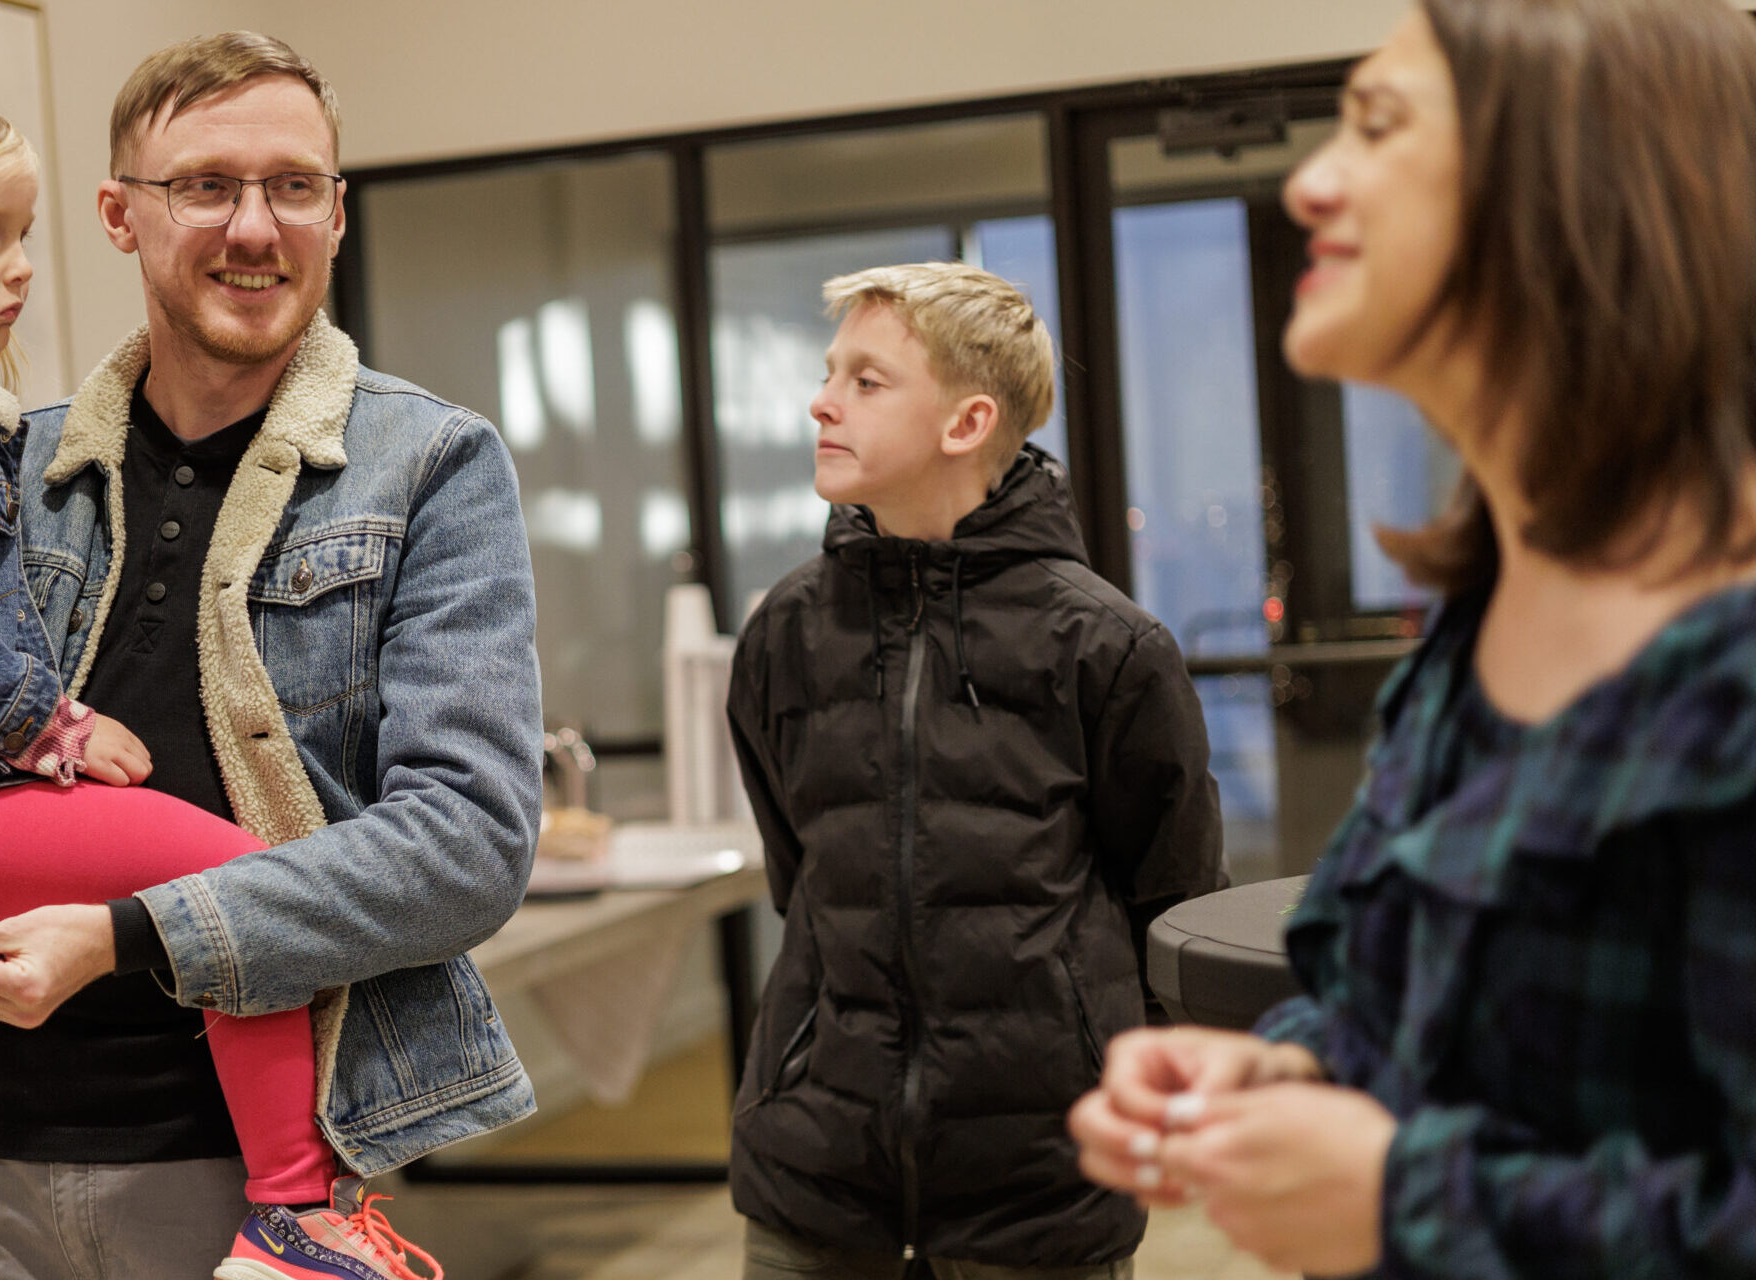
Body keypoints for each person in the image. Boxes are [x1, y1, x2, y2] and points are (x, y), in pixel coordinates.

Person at [0, 31, 542, 1280]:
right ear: (119, 215)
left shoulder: (431, 468)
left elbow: (466, 845)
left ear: (337, 211)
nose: (254, 226)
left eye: (292, 186)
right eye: (205, 186)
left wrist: (131, 934)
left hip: (220, 1172)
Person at [1065, 1, 1756, 1275]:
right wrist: (1285, 1073)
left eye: (1375, 127)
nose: (1311, 182)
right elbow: (1433, 1029)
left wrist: (1403, 1199)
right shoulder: (1477, 627)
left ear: (1583, 180)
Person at [727, 262, 1226, 1280]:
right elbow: (802, 877)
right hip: (815, 1169)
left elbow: (1168, 908)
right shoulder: (784, 630)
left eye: (867, 380)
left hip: (1040, 1181)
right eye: (832, 373)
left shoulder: (1108, 646)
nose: (821, 401)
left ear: (965, 424)